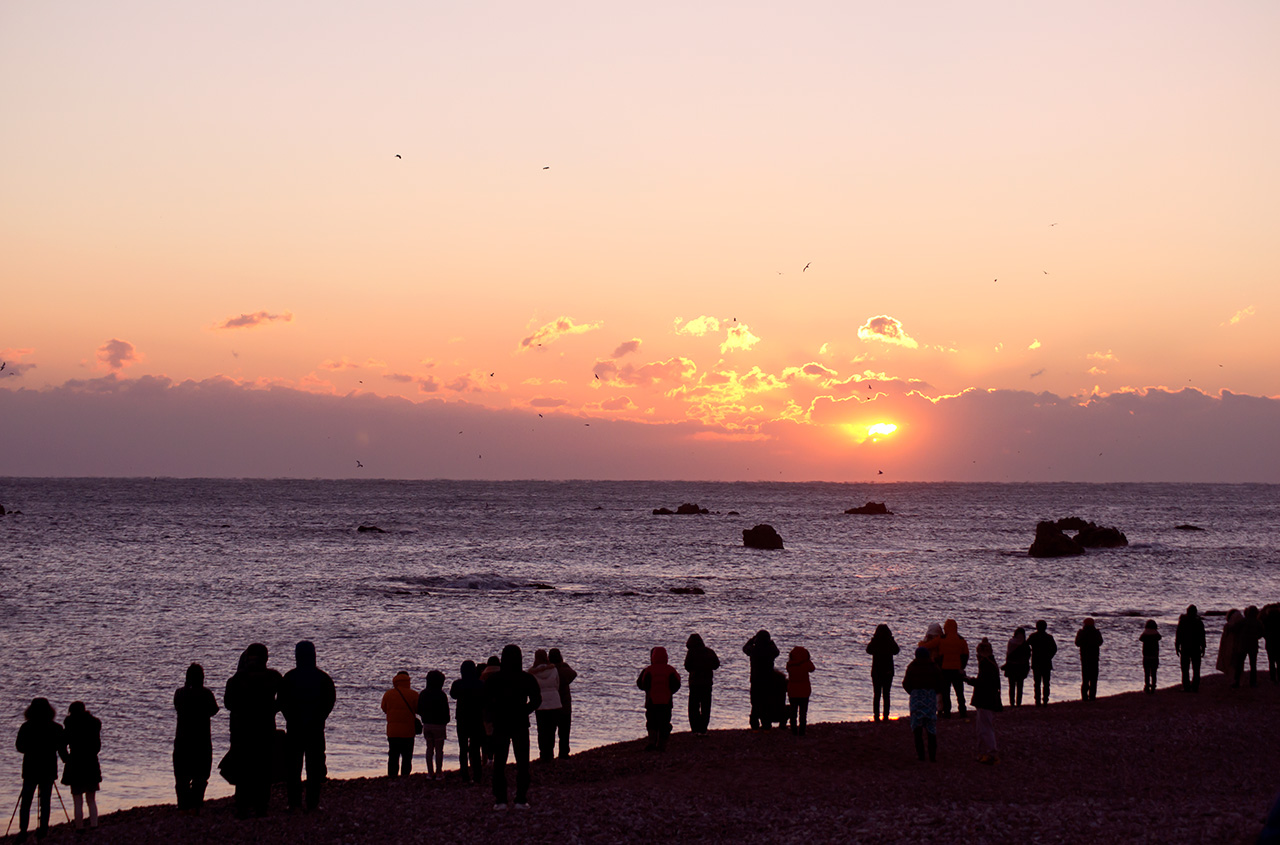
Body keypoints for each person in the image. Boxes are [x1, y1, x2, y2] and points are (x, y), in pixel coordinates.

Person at [224, 643, 282, 819]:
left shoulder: (236, 680)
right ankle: (261, 807)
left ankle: (242, 807)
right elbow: (284, 697)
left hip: (242, 730)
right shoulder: (273, 677)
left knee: (243, 768)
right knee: (263, 769)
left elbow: (228, 704)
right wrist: (272, 708)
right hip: (264, 728)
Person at [278, 640, 336, 811]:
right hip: (315, 728)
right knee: (314, 767)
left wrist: (290, 717)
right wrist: (320, 717)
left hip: (295, 728)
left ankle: (294, 803)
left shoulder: (289, 677)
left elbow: (281, 701)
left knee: (293, 768)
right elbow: (329, 701)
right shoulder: (323, 677)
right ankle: (312, 803)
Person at [484, 644, 541, 810]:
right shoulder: (527, 678)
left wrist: (492, 716)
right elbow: (537, 700)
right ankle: (521, 799)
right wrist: (525, 710)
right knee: (523, 762)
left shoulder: (494, 679)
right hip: (520, 723)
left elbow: (486, 701)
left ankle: (500, 800)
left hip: (501, 723)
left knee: (499, 763)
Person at [14, 698, 66, 844]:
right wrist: (67, 760)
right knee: (45, 801)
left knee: (26, 801)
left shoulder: (26, 727)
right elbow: (61, 748)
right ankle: (43, 830)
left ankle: (23, 831)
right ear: (50, 710)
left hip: (30, 768)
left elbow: (20, 747)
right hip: (48, 768)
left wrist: (32, 749)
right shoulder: (56, 728)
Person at [173, 663, 219, 813]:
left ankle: (183, 804)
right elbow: (214, 710)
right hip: (201, 739)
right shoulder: (206, 694)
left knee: (182, 776)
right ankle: (197, 802)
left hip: (182, 740)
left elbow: (177, 706)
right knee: (201, 774)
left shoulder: (179, 693)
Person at [62, 701, 102, 831]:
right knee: (91, 799)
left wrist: (66, 758)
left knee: (77, 799)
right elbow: (97, 746)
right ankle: (94, 824)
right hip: (90, 762)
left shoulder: (70, 724)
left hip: (75, 762)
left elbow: (63, 744)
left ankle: (79, 827)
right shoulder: (94, 724)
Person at [963, 638, 1003, 764]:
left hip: (985, 700)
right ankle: (984, 752)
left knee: (985, 728)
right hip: (988, 699)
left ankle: (990, 753)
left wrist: (967, 679)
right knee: (983, 727)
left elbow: (982, 683)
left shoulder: (986, 665)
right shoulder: (991, 664)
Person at [637, 646, 681, 751]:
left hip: (652, 701)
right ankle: (662, 744)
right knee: (665, 723)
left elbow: (641, 684)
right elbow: (676, 684)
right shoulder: (670, 670)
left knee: (652, 722)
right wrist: (669, 692)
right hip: (666, 702)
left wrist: (649, 691)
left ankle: (652, 742)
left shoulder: (648, 670)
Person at [450, 660, 485, 783]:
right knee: (475, 747)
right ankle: (477, 774)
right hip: (477, 718)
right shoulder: (481, 684)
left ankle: (464, 774)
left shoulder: (458, 684)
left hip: (462, 718)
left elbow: (453, 695)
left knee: (463, 748)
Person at [902, 647, 940, 762]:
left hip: (916, 698)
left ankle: (921, 756)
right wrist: (933, 692)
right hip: (930, 698)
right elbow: (941, 682)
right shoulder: (934, 667)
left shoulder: (912, 667)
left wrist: (913, 692)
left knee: (917, 729)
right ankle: (932, 757)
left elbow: (906, 683)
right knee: (931, 729)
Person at [380, 671, 419, 777]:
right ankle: (405, 776)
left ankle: (392, 776)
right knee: (407, 756)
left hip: (393, 731)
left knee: (393, 755)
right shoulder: (414, 694)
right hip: (408, 731)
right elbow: (418, 709)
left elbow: (384, 708)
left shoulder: (388, 694)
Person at [528, 649, 562, 763]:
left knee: (541, 730)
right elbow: (557, 685)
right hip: (554, 702)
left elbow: (532, 689)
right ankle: (550, 753)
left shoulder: (533, 673)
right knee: (552, 730)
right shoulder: (553, 670)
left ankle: (543, 753)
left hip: (541, 704)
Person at [684, 633, 721, 735]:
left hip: (694, 683)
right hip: (707, 683)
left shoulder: (691, 653)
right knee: (706, 706)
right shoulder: (709, 651)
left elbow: (687, 667)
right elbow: (716, 665)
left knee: (693, 707)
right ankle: (703, 728)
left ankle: (695, 729)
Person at [742, 630, 779, 730]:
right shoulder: (770, 650)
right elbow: (777, 652)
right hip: (768, 680)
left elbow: (744, 648)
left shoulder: (754, 650)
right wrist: (771, 642)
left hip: (756, 680)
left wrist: (751, 640)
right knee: (766, 702)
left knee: (755, 702)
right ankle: (766, 723)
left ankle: (754, 724)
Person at [417, 670, 449, 780]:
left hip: (427, 724)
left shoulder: (423, 693)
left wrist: (424, 718)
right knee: (439, 750)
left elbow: (419, 709)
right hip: (439, 725)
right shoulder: (442, 695)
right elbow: (446, 711)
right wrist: (446, 721)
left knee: (429, 749)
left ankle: (430, 773)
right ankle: (439, 772)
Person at [866, 624, 900, 722]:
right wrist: (892, 640)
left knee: (876, 694)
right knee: (886, 694)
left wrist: (873, 639)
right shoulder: (890, 641)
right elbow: (896, 651)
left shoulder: (875, 641)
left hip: (876, 671)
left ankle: (876, 715)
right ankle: (886, 716)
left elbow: (868, 650)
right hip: (888, 671)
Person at [937, 619, 970, 717]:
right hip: (957, 670)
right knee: (960, 693)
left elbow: (927, 646)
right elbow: (966, 655)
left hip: (945, 670)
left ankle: (947, 712)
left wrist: (921, 644)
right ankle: (963, 711)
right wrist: (962, 667)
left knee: (946, 693)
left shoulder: (941, 639)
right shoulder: (961, 640)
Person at [548, 648, 578, 758]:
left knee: (550, 732)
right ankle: (564, 753)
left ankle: (548, 754)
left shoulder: (549, 671)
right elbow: (573, 674)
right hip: (564, 706)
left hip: (551, 706)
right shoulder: (563, 669)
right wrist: (563, 664)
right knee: (564, 732)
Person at [1175, 605, 1206, 692]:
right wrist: (1203, 647)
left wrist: (1177, 646)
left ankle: (1186, 686)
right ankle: (1195, 686)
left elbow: (1178, 635)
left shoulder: (1183, 621)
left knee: (1185, 668)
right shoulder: (1198, 622)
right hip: (1195, 647)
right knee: (1196, 668)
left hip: (1185, 647)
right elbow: (1202, 636)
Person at [1027, 620, 1058, 706]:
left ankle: (1037, 700)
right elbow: (1054, 649)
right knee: (1046, 682)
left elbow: (1025, 645)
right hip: (1046, 662)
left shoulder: (1033, 636)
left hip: (1036, 661)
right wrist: (1049, 656)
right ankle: (1045, 700)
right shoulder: (1049, 637)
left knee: (1037, 682)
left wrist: (1030, 653)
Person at [785, 645, 815, 736]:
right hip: (804, 692)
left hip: (793, 691)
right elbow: (812, 668)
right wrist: (807, 660)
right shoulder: (806, 664)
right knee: (803, 713)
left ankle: (793, 731)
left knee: (793, 713)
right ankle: (802, 731)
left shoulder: (790, 664)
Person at [479, 655, 501, 763]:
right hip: (501, 709)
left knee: (488, 735)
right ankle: (498, 757)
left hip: (487, 710)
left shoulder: (483, 676)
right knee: (500, 734)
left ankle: (488, 758)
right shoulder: (503, 675)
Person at [1075, 618, 1104, 701]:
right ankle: (1092, 696)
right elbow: (1100, 642)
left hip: (1084, 657)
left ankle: (1084, 697)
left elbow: (1077, 643)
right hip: (1094, 657)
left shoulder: (1081, 632)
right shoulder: (1096, 632)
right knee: (1094, 678)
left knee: (1085, 678)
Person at [1003, 627, 1031, 707]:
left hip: (1011, 666)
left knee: (1012, 686)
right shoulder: (1025, 644)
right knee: (1019, 686)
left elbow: (1008, 655)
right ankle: (1018, 703)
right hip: (1021, 667)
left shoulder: (1011, 642)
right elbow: (1028, 656)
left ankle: (1012, 703)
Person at [1240, 606, 1265, 687]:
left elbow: (1236, 629)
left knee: (1240, 663)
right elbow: (1262, 632)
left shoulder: (1243, 621)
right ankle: (1253, 682)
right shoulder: (1258, 622)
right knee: (1253, 664)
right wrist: (1256, 637)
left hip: (1243, 644)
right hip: (1253, 644)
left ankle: (1238, 680)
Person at [1216, 608, 1243, 683]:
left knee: (1232, 663)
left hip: (1231, 647)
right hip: (1240, 647)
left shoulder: (1228, 626)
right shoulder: (1242, 624)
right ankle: (1237, 679)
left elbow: (1224, 639)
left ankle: (1234, 679)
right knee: (1239, 664)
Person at [1140, 620, 1162, 693]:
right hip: (1154, 656)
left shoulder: (1145, 634)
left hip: (1146, 656)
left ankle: (1147, 685)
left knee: (1146, 672)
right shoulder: (1156, 634)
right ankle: (1153, 686)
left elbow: (1140, 639)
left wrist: (1146, 631)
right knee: (1154, 672)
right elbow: (1160, 637)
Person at [1263, 604, 1280, 684]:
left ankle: (1273, 678)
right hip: (1278, 643)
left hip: (1270, 643)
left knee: (1271, 662)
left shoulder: (1266, 621)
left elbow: (1263, 632)